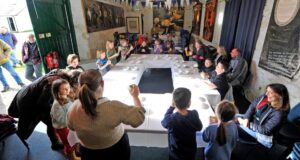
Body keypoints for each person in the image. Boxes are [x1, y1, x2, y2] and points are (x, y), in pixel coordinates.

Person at [67, 69, 145, 160]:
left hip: (88, 152)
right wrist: (135, 96)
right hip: (115, 150)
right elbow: (139, 118)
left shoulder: (73, 108)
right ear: (102, 84)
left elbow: (71, 126)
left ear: (79, 85)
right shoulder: (114, 108)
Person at [8, 69, 80, 150]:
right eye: (79, 85)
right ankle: (55, 142)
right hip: (29, 101)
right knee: (27, 130)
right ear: (73, 83)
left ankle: (55, 142)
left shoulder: (63, 76)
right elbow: (42, 102)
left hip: (31, 94)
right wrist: (55, 113)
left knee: (51, 120)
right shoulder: (56, 84)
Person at [237, 83, 290, 148]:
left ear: (279, 96)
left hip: (261, 134)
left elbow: (265, 130)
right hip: (251, 121)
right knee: (228, 116)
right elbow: (252, 106)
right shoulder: (264, 97)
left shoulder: (279, 114)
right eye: (267, 91)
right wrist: (246, 118)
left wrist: (247, 124)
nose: (266, 94)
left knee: (233, 126)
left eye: (270, 92)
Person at [161, 87, 203, 160]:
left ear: (174, 102)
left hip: (176, 152)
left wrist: (171, 107)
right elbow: (199, 127)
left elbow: (164, 122)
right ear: (189, 102)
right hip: (190, 150)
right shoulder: (194, 114)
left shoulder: (170, 120)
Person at [50, 79, 76, 158]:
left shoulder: (67, 97)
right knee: (68, 143)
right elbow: (61, 120)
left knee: (73, 140)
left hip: (69, 125)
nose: (67, 90)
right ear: (57, 91)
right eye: (64, 89)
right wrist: (73, 118)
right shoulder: (57, 105)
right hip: (63, 128)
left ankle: (73, 151)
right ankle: (70, 155)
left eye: (68, 87)